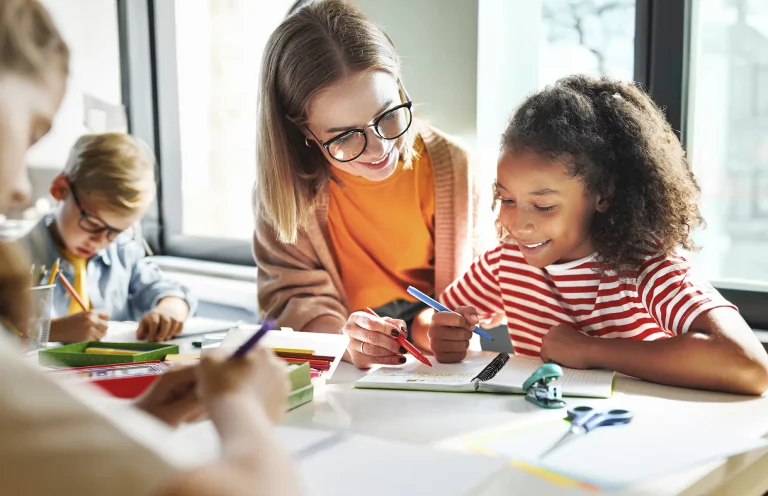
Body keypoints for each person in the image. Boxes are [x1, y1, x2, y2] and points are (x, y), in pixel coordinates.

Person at [0, 1, 299, 494]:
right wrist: (243, 409)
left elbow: (46, 464)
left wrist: (147, 416)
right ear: (61, 190)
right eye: (30, 133)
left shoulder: (123, 254)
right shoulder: (22, 255)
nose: (16, 190)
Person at [430, 75, 768, 395]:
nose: (519, 224)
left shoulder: (642, 264)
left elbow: (749, 364)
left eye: (544, 205)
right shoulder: (508, 260)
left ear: (602, 195)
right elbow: (436, 315)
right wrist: (444, 332)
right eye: (507, 199)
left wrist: (591, 350)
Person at [253, 0, 492, 369]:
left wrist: (441, 329)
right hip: (342, 365)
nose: (380, 148)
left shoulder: (453, 169)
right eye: (346, 136)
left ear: (398, 85)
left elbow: (477, 290)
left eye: (387, 114)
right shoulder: (286, 192)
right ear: (305, 132)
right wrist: (346, 343)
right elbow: (291, 299)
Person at [23, 132, 196, 343]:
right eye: (93, 224)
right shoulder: (15, 256)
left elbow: (169, 291)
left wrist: (169, 311)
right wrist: (51, 330)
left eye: (117, 232)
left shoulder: (122, 253)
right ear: (60, 190)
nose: (101, 241)